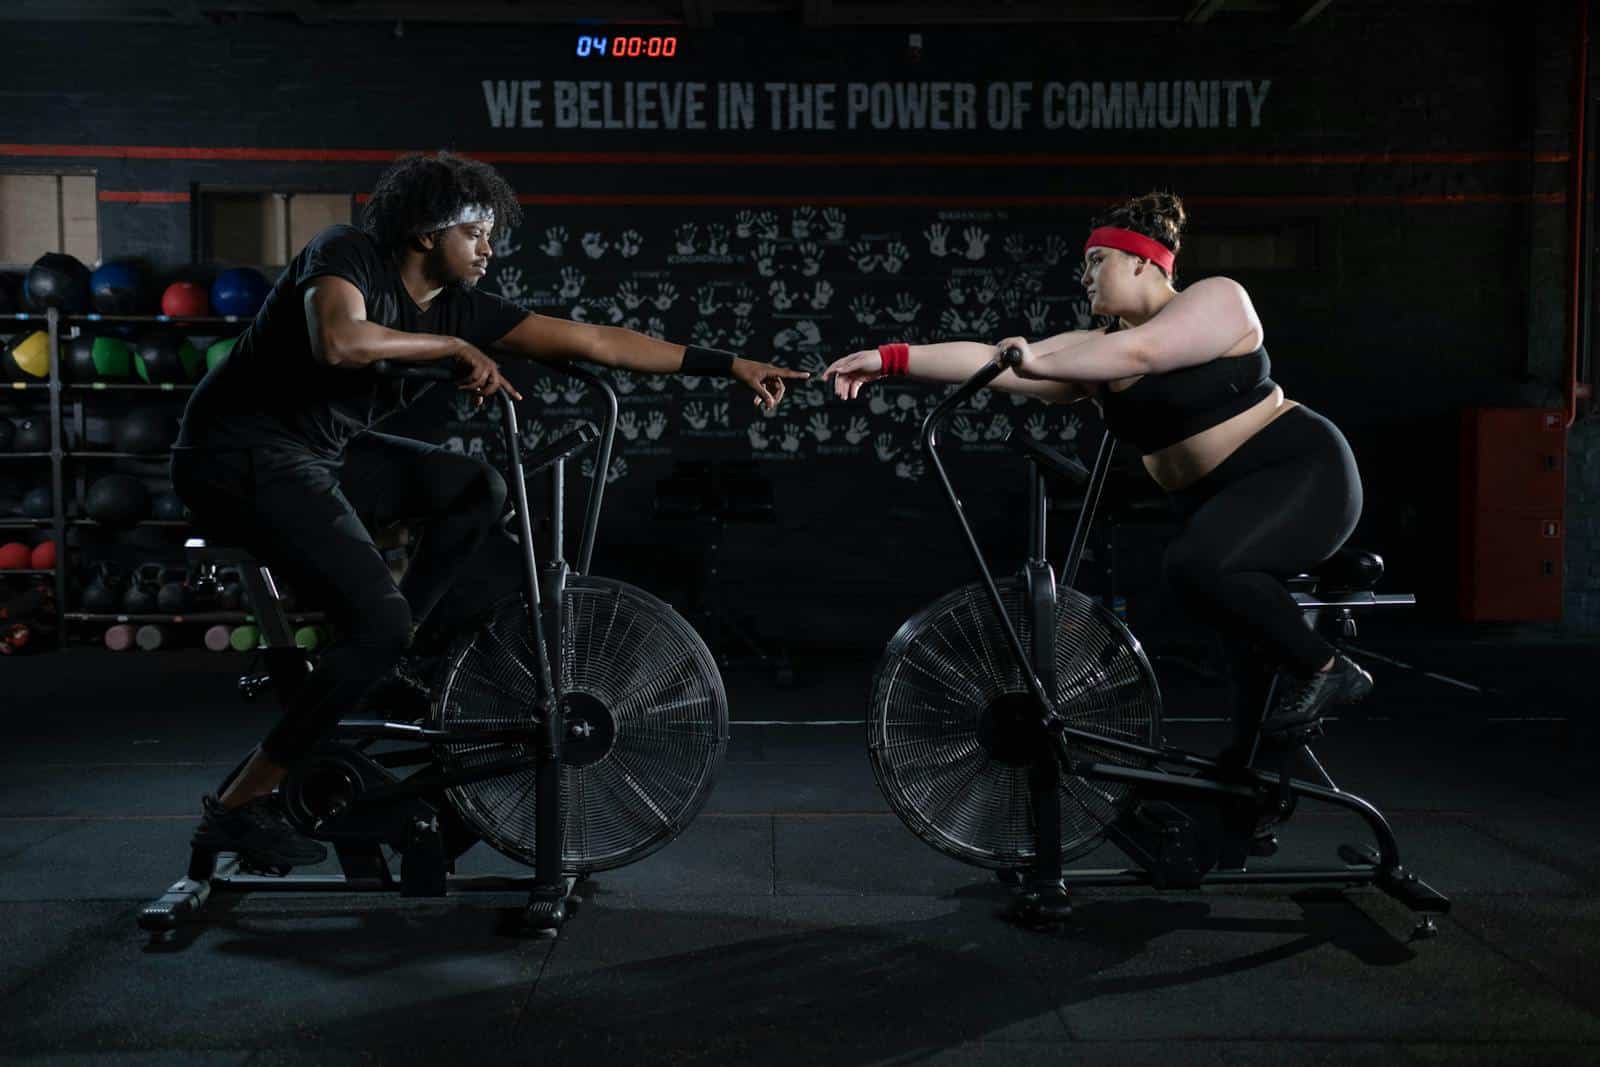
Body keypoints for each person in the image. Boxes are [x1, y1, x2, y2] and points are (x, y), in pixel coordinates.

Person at [172, 151, 807, 869]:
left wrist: (729, 365)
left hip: (320, 453)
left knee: (476, 489)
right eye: (476, 232)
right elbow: (340, 340)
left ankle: (396, 647)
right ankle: (237, 807)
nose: (490, 249)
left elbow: (597, 341)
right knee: (372, 621)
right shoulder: (346, 255)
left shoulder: (461, 307)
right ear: (423, 232)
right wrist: (450, 346)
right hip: (235, 455)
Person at [823, 191, 1371, 762]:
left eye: (1096, 261)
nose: (1084, 276)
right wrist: (889, 358)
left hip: (1302, 475)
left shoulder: (1218, 300)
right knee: (1247, 655)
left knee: (1196, 565)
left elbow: (1143, 353)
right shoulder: (1093, 349)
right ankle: (1247, 806)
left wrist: (1032, 358)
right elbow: (992, 360)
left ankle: (1329, 669)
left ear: (1144, 262)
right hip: (1228, 505)